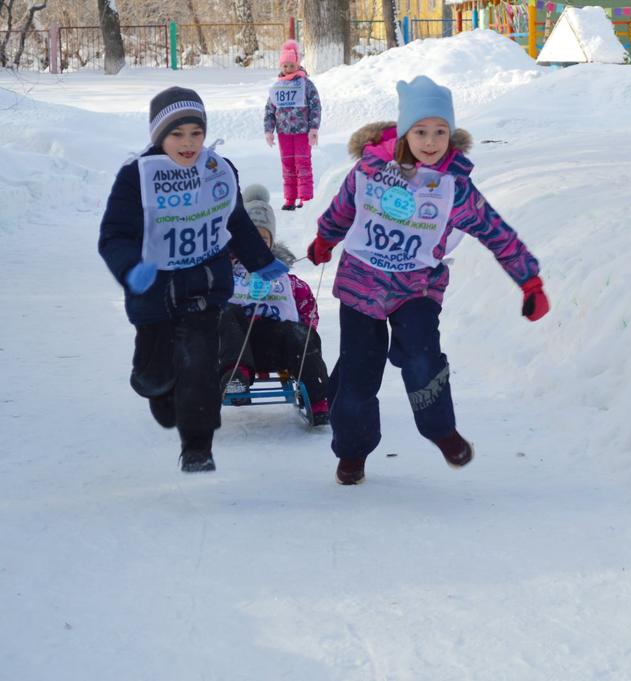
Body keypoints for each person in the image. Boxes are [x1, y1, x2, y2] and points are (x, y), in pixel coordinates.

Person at [307, 75, 551, 485]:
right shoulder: (370, 170)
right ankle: (352, 451)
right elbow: (342, 209)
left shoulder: (454, 187)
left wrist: (530, 282)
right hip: (362, 285)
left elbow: (496, 232)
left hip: (416, 288)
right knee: (357, 373)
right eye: (421, 131)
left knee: (422, 357)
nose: (431, 141)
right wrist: (324, 239)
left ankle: (441, 429)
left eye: (441, 131)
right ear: (405, 131)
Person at [99, 86, 289, 473]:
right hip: (154, 293)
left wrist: (260, 261)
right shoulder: (137, 177)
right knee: (155, 373)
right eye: (177, 134)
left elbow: (235, 221)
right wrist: (130, 267)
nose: (188, 143)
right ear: (159, 135)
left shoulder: (217, 170)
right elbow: (114, 235)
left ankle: (198, 447)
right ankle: (158, 387)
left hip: (204, 285)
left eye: (196, 133)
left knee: (200, 366)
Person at [219, 184, 331, 426]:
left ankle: (318, 395)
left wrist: (301, 331)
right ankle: (237, 377)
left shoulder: (288, 282)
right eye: (250, 238)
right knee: (224, 312)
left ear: (270, 242)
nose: (257, 245)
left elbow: (307, 311)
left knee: (300, 332)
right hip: (236, 349)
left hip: (277, 349)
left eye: (263, 239)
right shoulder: (223, 274)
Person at [264, 38, 321, 211]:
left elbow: (315, 106)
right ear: (281, 66)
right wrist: (269, 130)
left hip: (302, 132)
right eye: (285, 65)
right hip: (284, 133)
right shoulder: (277, 87)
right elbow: (270, 110)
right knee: (288, 165)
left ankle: (305, 198)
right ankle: (290, 198)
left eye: (291, 65)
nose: (288, 68)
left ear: (297, 64)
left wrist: (313, 128)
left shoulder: (306, 84)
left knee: (302, 164)